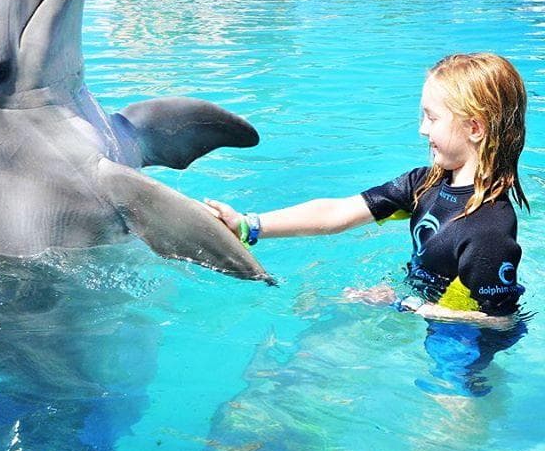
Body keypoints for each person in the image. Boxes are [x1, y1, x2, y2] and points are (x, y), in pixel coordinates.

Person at [206, 53, 529, 320]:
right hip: (420, 302)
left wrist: (412, 306)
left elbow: (499, 321)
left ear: (474, 127)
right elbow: (336, 213)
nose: (421, 129)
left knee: (450, 399)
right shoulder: (424, 182)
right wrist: (250, 225)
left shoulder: (488, 227)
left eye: (432, 118)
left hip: (463, 340)